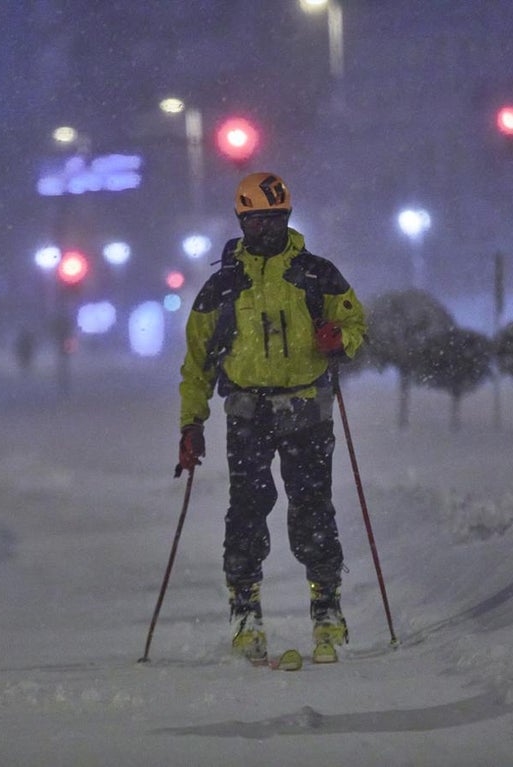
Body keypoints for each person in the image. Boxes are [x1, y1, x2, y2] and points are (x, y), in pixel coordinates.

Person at [177, 172, 367, 664]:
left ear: (287, 217)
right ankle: (246, 611)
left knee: (313, 509)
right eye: (256, 220)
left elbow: (355, 324)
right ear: (241, 221)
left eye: (275, 219)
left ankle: (326, 609)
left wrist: (339, 340)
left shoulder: (316, 274)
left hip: (306, 408)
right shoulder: (223, 285)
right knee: (246, 510)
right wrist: (190, 425)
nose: (266, 229)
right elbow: (197, 361)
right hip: (247, 412)